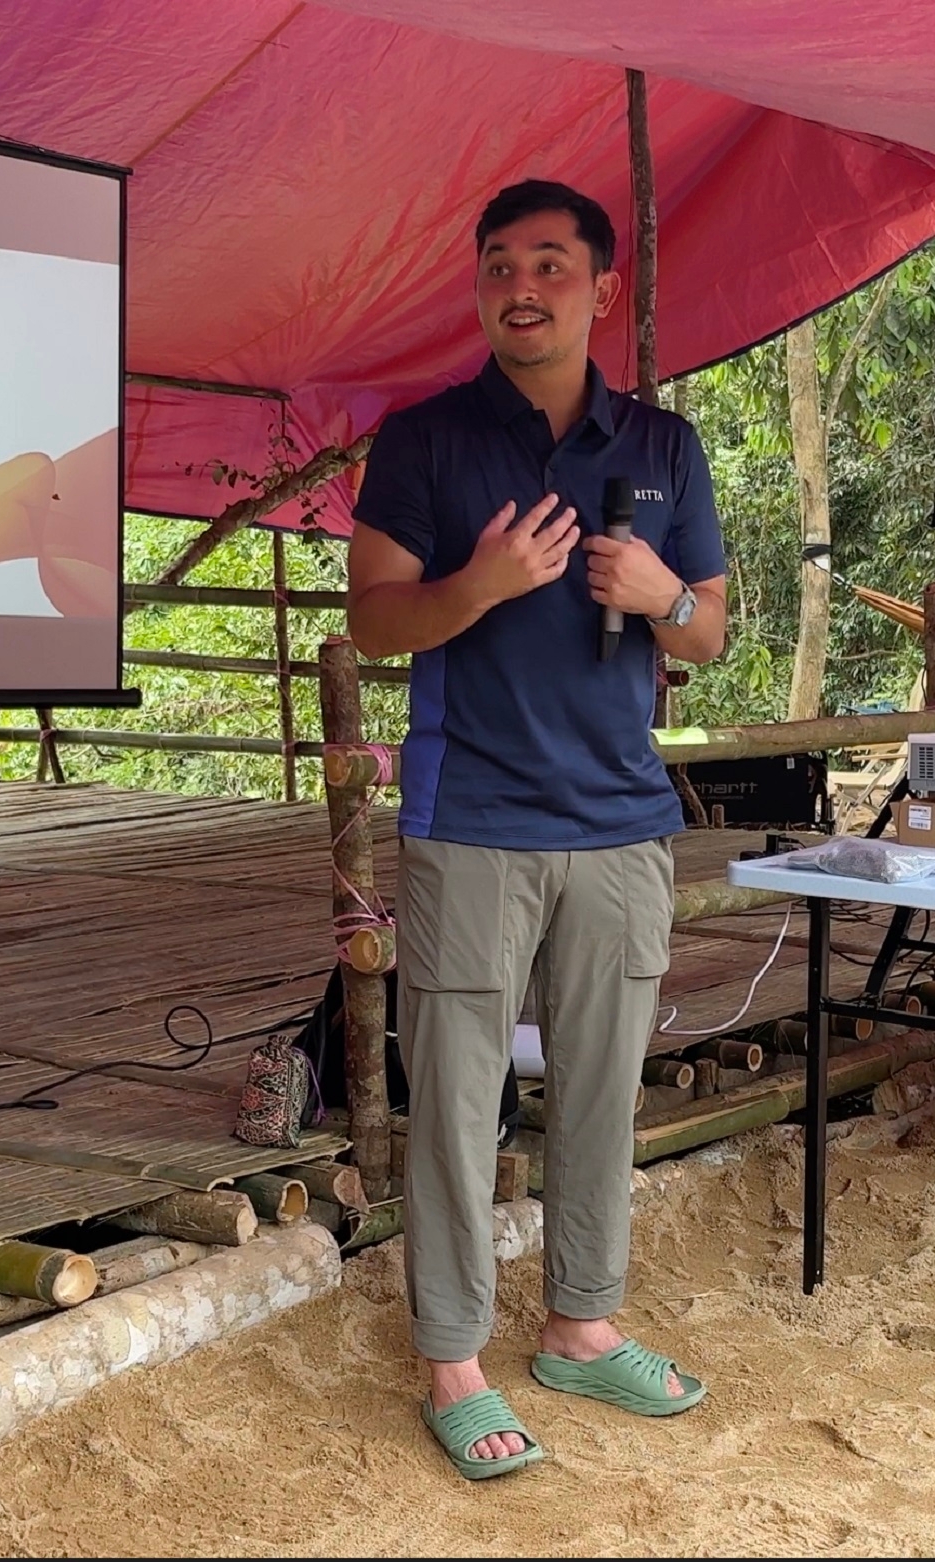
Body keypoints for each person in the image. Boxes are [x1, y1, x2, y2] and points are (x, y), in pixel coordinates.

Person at [347, 179, 726, 1480]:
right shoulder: (427, 440)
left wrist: (666, 592)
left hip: (622, 824)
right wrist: (480, 585)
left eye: (551, 264)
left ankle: (579, 1322)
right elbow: (376, 621)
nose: (522, 284)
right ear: (481, 286)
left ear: (601, 290)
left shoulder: (666, 450)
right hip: (473, 819)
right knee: (456, 1100)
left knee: (601, 1093)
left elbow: (713, 635)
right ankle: (453, 1351)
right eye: (500, 262)